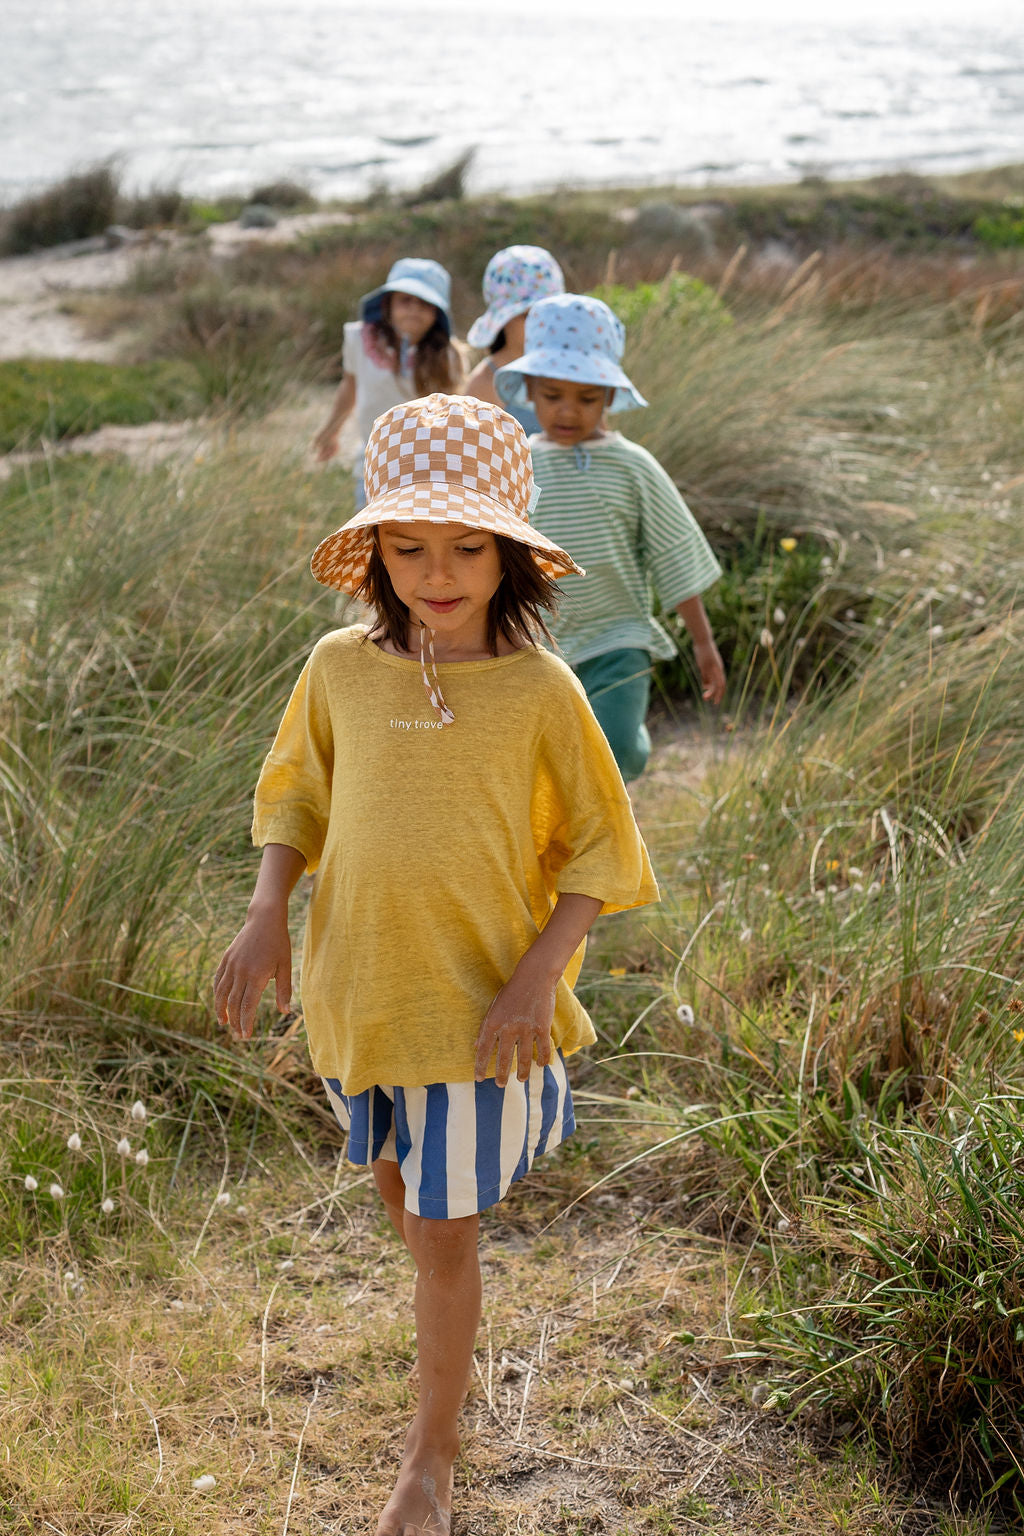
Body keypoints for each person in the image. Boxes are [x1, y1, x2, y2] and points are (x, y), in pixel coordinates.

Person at [214, 392, 658, 1536]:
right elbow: (294, 792)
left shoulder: (541, 689)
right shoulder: (337, 666)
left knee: (446, 1235)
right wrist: (267, 911)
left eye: (466, 547)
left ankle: (432, 1456)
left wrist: (535, 981)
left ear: (510, 550)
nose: (436, 572)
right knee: (409, 1211)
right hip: (360, 996)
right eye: (408, 547)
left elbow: (606, 851)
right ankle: (442, 1328)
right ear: (375, 550)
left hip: (477, 1013)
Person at [495, 292, 726, 782]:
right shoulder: (517, 466)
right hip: (535, 644)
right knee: (543, 767)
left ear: (608, 397)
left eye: (586, 398)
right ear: (530, 390)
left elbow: (673, 550)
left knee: (617, 752)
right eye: (553, 395)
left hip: (617, 637)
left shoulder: (632, 465)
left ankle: (627, 762)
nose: (568, 411)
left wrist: (703, 643)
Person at [312, 257, 463, 507]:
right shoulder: (361, 340)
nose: (414, 309)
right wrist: (331, 429)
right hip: (374, 460)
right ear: (388, 304)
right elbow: (350, 386)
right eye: (405, 300)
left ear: (437, 313)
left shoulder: (447, 356)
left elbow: (453, 412)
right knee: (373, 536)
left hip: (427, 466)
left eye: (425, 303)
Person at [464, 245, 564, 437]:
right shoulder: (485, 385)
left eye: (548, 314)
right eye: (527, 316)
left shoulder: (571, 369)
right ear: (503, 322)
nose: (541, 325)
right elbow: (472, 456)